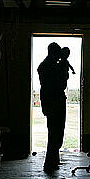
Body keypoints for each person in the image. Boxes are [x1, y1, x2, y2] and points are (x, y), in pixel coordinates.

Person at [38, 43, 68, 171]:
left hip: (51, 102)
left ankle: (53, 160)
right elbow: (60, 85)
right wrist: (63, 68)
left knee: (54, 133)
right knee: (55, 133)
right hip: (54, 103)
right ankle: (50, 162)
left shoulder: (46, 65)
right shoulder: (49, 67)